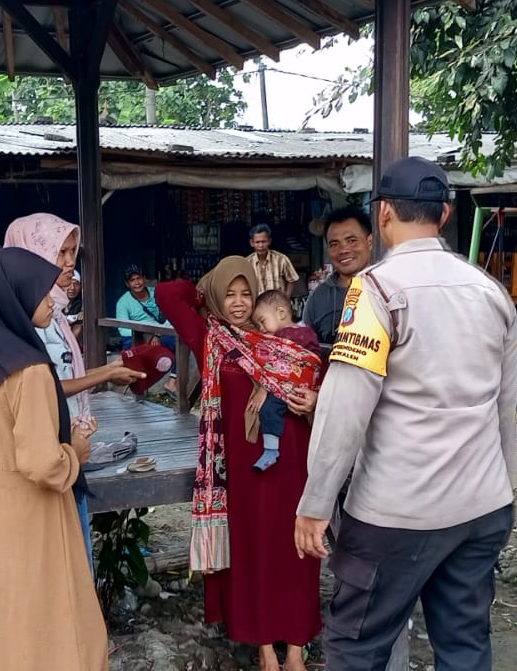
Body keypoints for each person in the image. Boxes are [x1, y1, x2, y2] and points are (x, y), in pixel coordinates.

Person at [295, 157, 517, 671]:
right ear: (443, 214)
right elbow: (505, 408)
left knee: (356, 646)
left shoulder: (375, 291)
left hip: (396, 513)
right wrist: (504, 494)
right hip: (480, 507)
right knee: (464, 646)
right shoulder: (490, 292)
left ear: (385, 215)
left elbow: (346, 402)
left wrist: (316, 500)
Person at [158, 258, 322, 671]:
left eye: (245, 293)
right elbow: (166, 295)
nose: (238, 302)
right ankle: (266, 648)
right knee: (256, 552)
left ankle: (297, 648)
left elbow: (316, 383)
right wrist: (205, 293)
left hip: (293, 460)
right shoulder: (210, 338)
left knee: (297, 549)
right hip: (244, 471)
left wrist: (312, 403)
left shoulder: (281, 338)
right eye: (229, 294)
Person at [0, 247, 108, 671]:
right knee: (59, 624)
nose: (52, 301)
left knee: (6, 623)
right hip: (35, 515)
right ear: (16, 297)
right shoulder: (31, 370)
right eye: (41, 292)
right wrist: (74, 452)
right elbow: (42, 464)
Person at [0, 213, 145, 562]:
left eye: (72, 252)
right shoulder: (24, 320)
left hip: (65, 447)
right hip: (42, 455)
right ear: (30, 256)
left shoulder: (54, 310)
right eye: (58, 253)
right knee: (57, 551)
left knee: (72, 548)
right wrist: (105, 374)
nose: (68, 263)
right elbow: (45, 388)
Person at [250, 290, 324, 472]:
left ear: (281, 313)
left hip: (289, 387)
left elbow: (280, 366)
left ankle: (271, 450)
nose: (261, 328)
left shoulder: (284, 339)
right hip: (307, 389)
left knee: (268, 409)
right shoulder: (306, 332)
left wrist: (264, 389)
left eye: (262, 321)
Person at [302, 207, 374, 347]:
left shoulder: (386, 289)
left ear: (369, 242)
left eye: (352, 241)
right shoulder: (318, 298)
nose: (343, 250)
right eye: (334, 244)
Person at [115, 264, 176, 351]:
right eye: (132, 280)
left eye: (139, 278)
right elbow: (123, 329)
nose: (137, 283)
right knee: (129, 345)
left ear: (144, 278)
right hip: (138, 334)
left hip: (160, 332)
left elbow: (172, 315)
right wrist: (147, 336)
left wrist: (157, 334)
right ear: (127, 284)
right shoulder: (123, 302)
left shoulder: (157, 293)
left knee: (174, 341)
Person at [248, 223, 300, 297]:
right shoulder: (247, 263)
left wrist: (286, 299)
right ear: (251, 243)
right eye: (257, 242)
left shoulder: (281, 259)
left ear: (269, 241)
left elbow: (292, 279)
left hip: (278, 304)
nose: (261, 245)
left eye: (264, 241)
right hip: (257, 306)